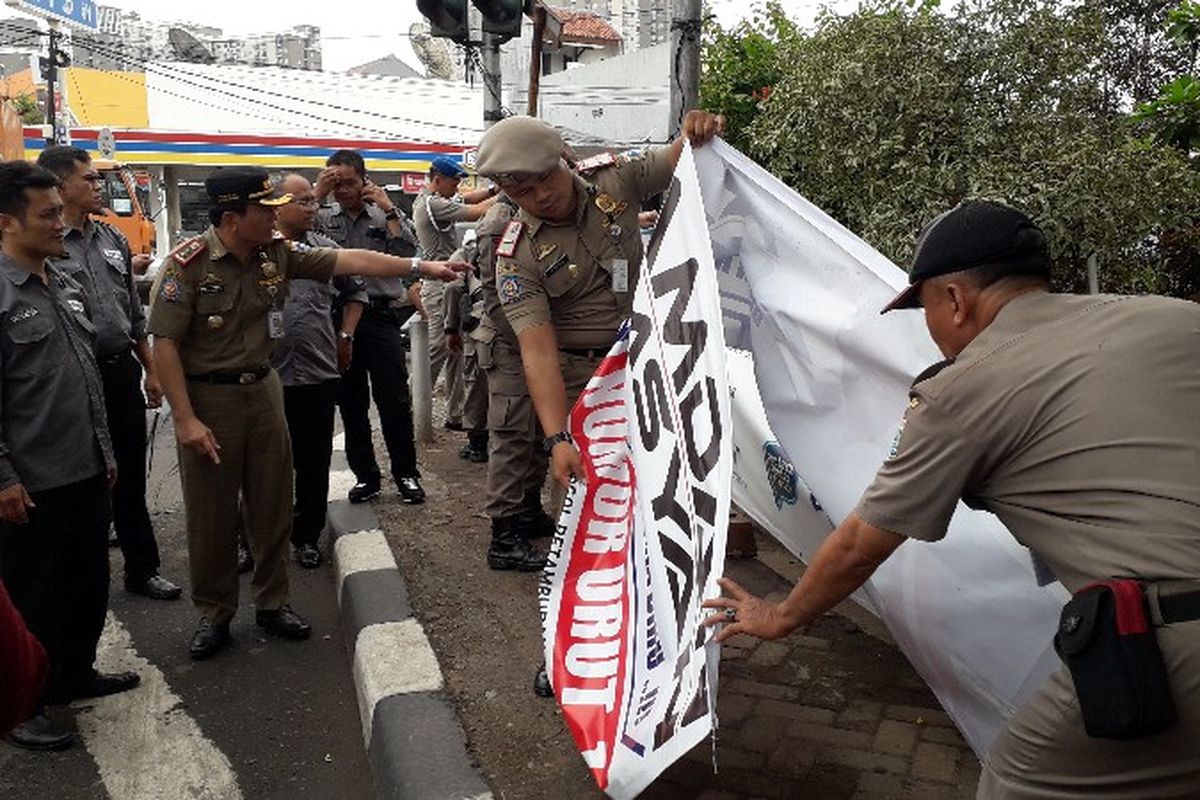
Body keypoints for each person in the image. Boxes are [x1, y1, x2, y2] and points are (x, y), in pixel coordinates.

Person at [702, 201, 1200, 798]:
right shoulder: (1176, 320)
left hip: (1175, 638)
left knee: (1016, 780)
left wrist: (780, 615)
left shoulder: (965, 388)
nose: (930, 328)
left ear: (957, 299)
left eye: (926, 308)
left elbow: (863, 544)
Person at [148, 166, 466, 660]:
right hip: (210, 399)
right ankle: (215, 613)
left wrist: (422, 269)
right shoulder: (186, 266)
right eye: (265, 209)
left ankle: (273, 601)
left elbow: (347, 260)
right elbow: (164, 344)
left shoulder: (276, 254)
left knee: (273, 502)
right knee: (212, 512)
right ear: (233, 217)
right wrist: (186, 420)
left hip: (264, 389)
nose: (275, 217)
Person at [473, 110, 725, 492]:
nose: (542, 196)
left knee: (662, 482)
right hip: (583, 380)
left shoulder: (614, 179)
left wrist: (699, 130)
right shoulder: (516, 255)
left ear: (564, 158)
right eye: (522, 192)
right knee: (591, 495)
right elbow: (538, 354)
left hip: (647, 364)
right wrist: (558, 439)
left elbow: (681, 156)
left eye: (546, 178)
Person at [0, 161, 139, 751]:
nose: (62, 222)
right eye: (48, 213)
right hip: (29, 480)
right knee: (33, 593)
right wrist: (3, 477)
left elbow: (85, 377)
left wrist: (105, 451)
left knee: (86, 583)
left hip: (84, 466)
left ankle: (73, 674)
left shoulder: (65, 280)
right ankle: (23, 705)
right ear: (6, 222)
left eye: (61, 209)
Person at [37, 145, 182, 601]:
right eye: (90, 179)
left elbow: (133, 312)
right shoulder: (45, 247)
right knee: (85, 484)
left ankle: (142, 569)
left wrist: (150, 370)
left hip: (120, 372)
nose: (99, 187)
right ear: (61, 188)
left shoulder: (112, 239)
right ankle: (81, 582)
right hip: (74, 379)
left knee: (131, 475)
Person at [315, 150, 425, 504]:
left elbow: (408, 253)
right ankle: (367, 477)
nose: (342, 190)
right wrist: (317, 194)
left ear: (364, 180)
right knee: (350, 402)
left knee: (393, 399)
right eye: (335, 183)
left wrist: (391, 208)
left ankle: (406, 474)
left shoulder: (382, 212)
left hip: (380, 317)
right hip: (337, 320)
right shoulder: (319, 214)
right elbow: (295, 240)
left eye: (348, 182)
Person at [271, 172, 366, 569]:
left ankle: (307, 536)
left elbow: (357, 293)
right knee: (264, 466)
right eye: (304, 201)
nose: (313, 208)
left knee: (312, 461)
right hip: (265, 377)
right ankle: (253, 538)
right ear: (276, 205)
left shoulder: (326, 252)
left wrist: (345, 336)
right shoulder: (255, 252)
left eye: (314, 201)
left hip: (317, 373)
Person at [472, 196, 553, 573]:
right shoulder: (499, 222)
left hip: (535, 341)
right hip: (510, 343)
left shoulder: (532, 213)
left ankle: (527, 510)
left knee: (539, 430)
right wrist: (532, 340)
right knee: (512, 436)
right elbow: (496, 298)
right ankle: (503, 538)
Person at [412, 156, 496, 431]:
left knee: (455, 350)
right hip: (438, 284)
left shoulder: (437, 199)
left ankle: (455, 413)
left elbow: (471, 199)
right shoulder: (431, 204)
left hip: (449, 279)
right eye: (454, 180)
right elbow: (475, 211)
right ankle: (412, 404)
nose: (458, 185)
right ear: (439, 179)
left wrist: (496, 190)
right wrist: (508, 195)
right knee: (437, 347)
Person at [442, 233, 489, 463]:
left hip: (481, 323)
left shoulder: (466, 253)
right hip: (518, 319)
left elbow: (452, 289)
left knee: (477, 382)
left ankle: (477, 443)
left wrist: (451, 329)